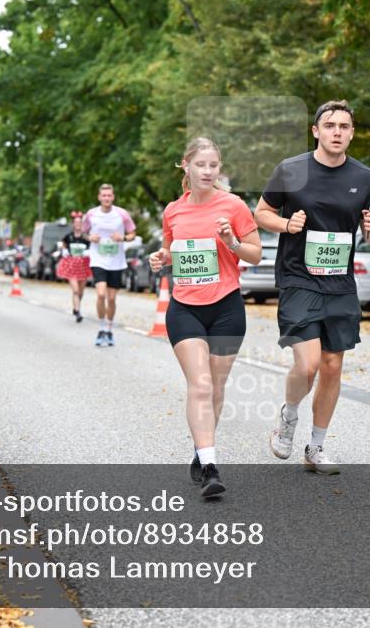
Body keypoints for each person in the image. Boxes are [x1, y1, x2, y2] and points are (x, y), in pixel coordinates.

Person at [254, 100, 370, 475]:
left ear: (352, 133)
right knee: (308, 363)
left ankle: (317, 446)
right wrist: (286, 226)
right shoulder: (291, 169)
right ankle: (289, 414)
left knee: (331, 366)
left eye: (344, 126)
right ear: (316, 131)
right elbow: (260, 213)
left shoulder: (364, 175)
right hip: (298, 278)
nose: (337, 132)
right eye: (330, 125)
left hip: (340, 283)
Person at [150, 137, 261, 497]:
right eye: (201, 165)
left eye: (214, 165)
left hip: (227, 308)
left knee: (215, 387)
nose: (208, 171)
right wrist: (161, 258)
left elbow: (256, 254)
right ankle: (211, 465)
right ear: (186, 166)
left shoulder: (234, 205)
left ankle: (201, 449)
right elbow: (171, 250)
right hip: (184, 308)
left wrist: (231, 241)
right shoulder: (173, 211)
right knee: (199, 385)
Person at [83, 184, 136, 346]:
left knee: (111, 298)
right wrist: (90, 238)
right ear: (99, 197)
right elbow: (83, 233)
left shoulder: (122, 214)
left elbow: (132, 233)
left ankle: (109, 329)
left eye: (109, 195)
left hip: (116, 261)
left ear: (113, 197)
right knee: (101, 294)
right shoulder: (91, 215)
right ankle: (101, 327)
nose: (106, 198)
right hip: (98, 259)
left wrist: (123, 238)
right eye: (103, 195)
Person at [57, 211, 93, 322]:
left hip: (83, 266)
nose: (78, 225)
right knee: (76, 290)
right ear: (73, 224)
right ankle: (77, 312)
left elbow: (93, 248)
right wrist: (64, 251)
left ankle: (76, 306)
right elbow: (63, 246)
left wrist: (88, 252)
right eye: (76, 223)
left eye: (80, 223)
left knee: (81, 291)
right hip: (72, 266)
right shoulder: (68, 237)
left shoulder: (86, 238)